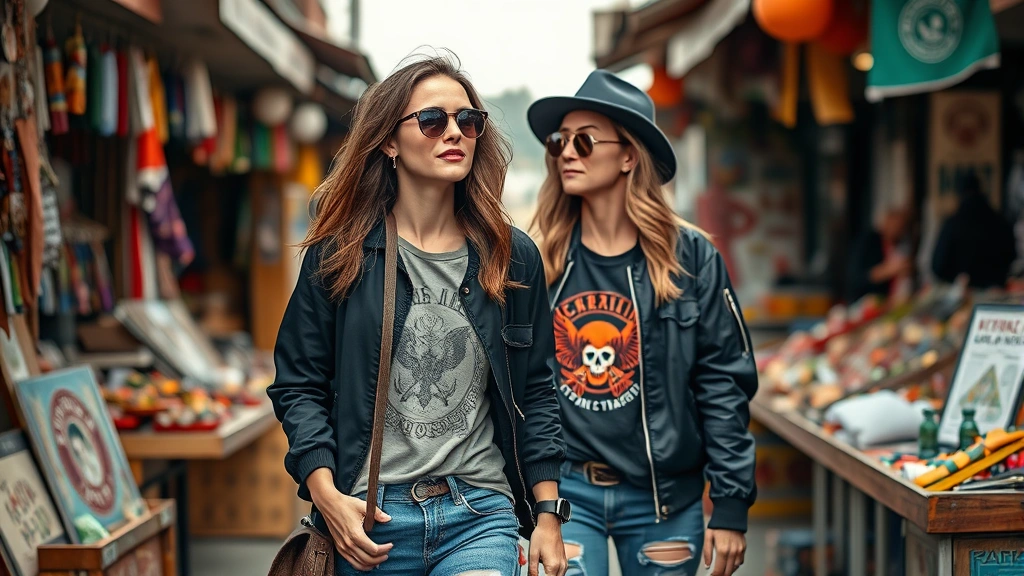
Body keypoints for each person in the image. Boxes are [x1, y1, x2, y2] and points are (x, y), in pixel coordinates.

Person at [268, 55, 569, 576]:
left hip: (479, 510)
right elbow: (298, 384)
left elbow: (537, 390)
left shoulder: (511, 255)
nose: (454, 132)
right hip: (369, 519)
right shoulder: (342, 253)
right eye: (432, 120)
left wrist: (547, 514)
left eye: (468, 121)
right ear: (389, 141)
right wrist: (327, 496)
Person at [528, 70, 757, 576]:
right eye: (559, 141)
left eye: (584, 141)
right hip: (566, 496)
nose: (566, 152)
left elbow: (722, 382)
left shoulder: (690, 257)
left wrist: (731, 503)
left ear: (628, 156)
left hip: (663, 500)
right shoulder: (539, 258)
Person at [932, 170, 1016, 289]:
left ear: (960, 194)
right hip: (995, 292)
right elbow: (1011, 255)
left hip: (962, 292)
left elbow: (937, 265)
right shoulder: (999, 221)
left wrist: (958, 278)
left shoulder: (952, 223)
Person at [847, 206, 913, 303]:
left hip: (891, 303)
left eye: (903, 227)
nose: (899, 230)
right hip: (863, 303)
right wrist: (888, 270)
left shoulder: (902, 247)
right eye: (896, 224)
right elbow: (856, 279)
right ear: (886, 222)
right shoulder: (869, 241)